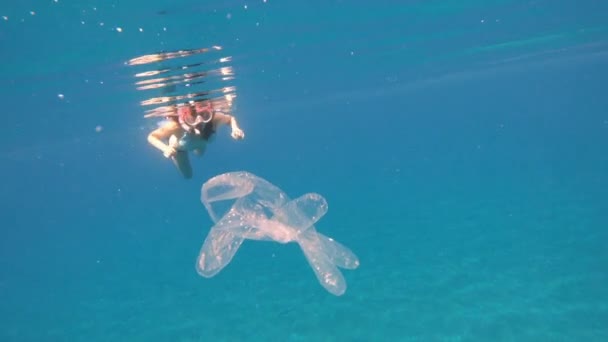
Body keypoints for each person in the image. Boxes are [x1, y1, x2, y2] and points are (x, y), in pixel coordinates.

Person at [147, 100, 245, 179]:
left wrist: (235, 128)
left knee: (199, 154)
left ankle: (197, 148)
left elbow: (230, 118)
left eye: (204, 115)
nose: (199, 121)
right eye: (193, 118)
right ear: (185, 117)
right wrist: (165, 148)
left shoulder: (215, 119)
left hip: (201, 143)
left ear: (209, 114)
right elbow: (152, 136)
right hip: (179, 149)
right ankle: (170, 140)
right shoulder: (176, 126)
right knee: (188, 175)